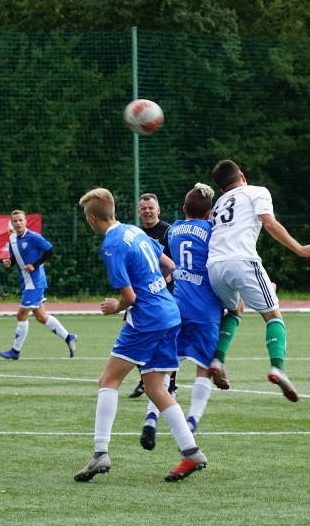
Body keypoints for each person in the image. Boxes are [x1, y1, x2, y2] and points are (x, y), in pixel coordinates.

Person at [74, 187, 207, 483]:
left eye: (87, 217)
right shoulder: (134, 230)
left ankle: (100, 453)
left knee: (108, 380)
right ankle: (191, 451)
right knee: (155, 387)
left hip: (145, 319)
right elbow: (169, 265)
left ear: (93, 218)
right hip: (170, 313)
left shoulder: (112, 244)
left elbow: (129, 297)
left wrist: (114, 307)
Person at [206, 160, 310, 402]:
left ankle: (218, 359)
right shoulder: (257, 191)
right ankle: (277, 367)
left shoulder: (218, 204)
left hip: (214, 265)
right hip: (243, 261)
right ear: (243, 176)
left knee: (235, 310)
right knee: (273, 315)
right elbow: (269, 223)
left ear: (223, 189)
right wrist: (298, 249)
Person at [139, 183, 223, 450]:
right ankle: (192, 421)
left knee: (163, 368)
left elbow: (163, 261)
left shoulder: (173, 230)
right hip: (206, 309)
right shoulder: (213, 231)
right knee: (204, 367)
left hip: (177, 305)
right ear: (210, 212)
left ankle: (151, 418)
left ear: (184, 208)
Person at [0, 210, 77, 360]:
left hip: (34, 282)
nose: (18, 223)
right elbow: (15, 258)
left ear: (25, 221)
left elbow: (50, 250)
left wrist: (35, 265)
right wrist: (9, 262)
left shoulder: (33, 237)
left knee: (21, 314)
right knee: (41, 316)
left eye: (20, 220)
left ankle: (15, 351)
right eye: (15, 221)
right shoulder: (12, 239)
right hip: (26, 282)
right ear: (12, 223)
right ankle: (68, 337)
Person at [128, 193, 177, 399]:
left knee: (165, 339)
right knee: (132, 331)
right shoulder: (136, 234)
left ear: (158, 210)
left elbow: (175, 261)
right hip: (141, 294)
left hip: (165, 293)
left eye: (151, 208)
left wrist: (167, 276)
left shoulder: (168, 231)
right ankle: (144, 379)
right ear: (139, 211)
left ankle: (170, 385)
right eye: (143, 208)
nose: (147, 211)